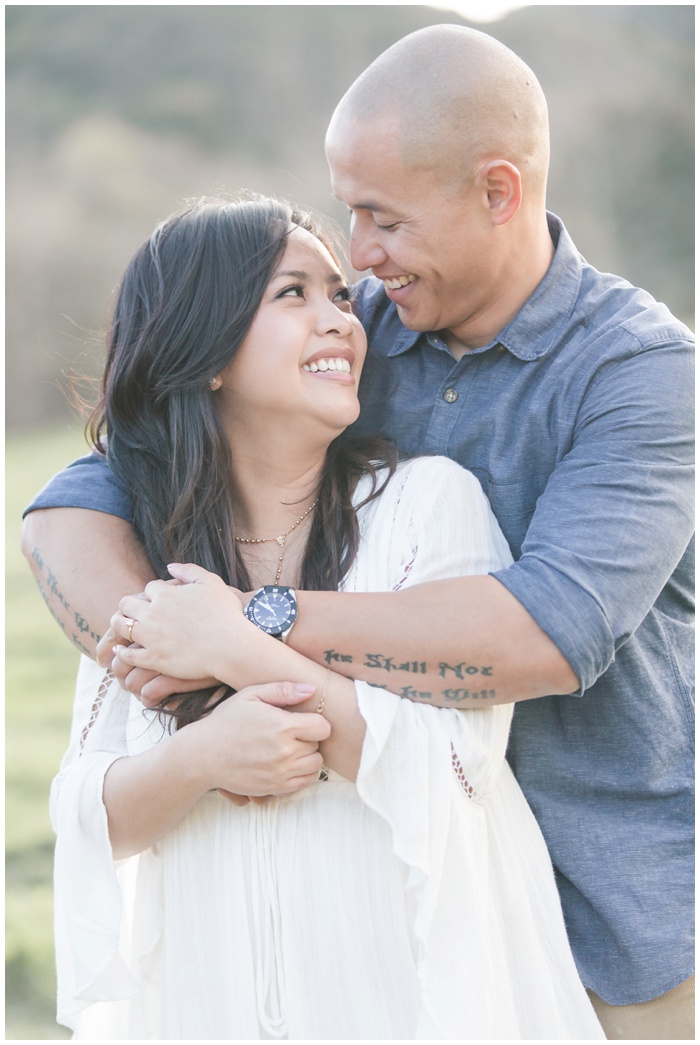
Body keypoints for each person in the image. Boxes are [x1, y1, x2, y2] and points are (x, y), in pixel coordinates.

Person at [22, 25, 693, 1040]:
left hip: (611, 927)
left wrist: (244, 630)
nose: (361, 260)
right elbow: (86, 499)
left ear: (497, 191)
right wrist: (166, 657)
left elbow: (545, 637)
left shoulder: (639, 373)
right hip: (379, 923)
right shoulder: (360, 327)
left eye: (380, 218)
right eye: (347, 218)